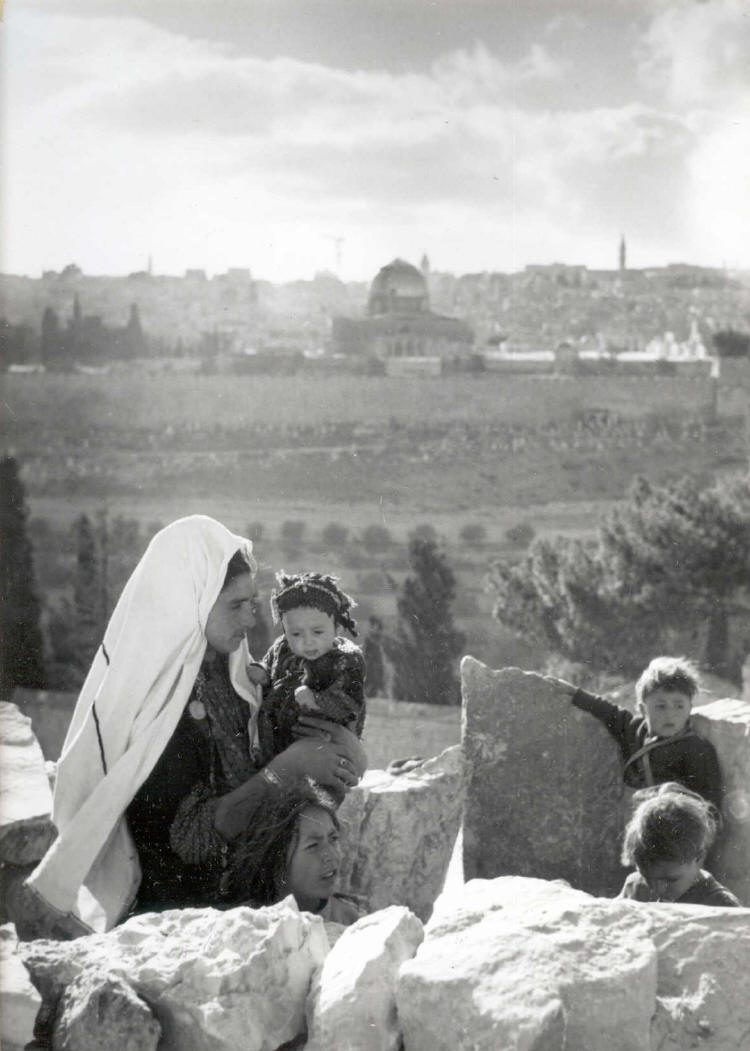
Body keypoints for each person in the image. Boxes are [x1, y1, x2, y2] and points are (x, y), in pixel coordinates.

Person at [21, 516, 366, 938]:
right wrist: (291, 769)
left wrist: (340, 750)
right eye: (235, 605)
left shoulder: (232, 678)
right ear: (190, 604)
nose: (251, 619)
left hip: (243, 902)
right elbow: (193, 838)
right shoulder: (156, 710)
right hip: (179, 920)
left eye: (252, 603)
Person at [549, 656, 722, 809]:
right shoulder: (636, 729)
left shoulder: (696, 749)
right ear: (643, 710)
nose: (670, 714)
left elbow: (710, 806)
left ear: (690, 709)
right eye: (660, 706)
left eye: (679, 706)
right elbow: (609, 711)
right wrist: (575, 693)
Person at [247, 572, 366, 770]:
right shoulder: (282, 648)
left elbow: (351, 704)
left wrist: (317, 701)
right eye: (296, 633)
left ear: (337, 628)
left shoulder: (346, 658)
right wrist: (262, 672)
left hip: (325, 741)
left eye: (317, 632)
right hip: (279, 738)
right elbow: (269, 665)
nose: (307, 640)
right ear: (285, 631)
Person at [220, 778, 366, 926]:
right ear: (275, 859)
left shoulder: (348, 919)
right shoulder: (248, 925)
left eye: (333, 839)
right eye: (313, 845)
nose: (331, 855)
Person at [618, 783, 740, 906]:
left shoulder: (720, 905)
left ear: (698, 858)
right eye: (647, 877)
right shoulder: (634, 887)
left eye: (670, 880)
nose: (657, 890)